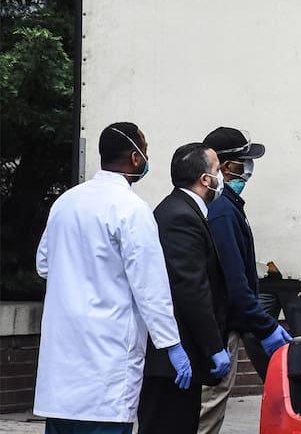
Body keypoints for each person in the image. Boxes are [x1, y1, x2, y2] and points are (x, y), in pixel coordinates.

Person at [34, 123, 190, 434]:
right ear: (135, 158)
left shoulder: (66, 202)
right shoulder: (132, 209)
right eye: (145, 151)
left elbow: (44, 264)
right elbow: (150, 287)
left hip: (62, 368)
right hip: (107, 368)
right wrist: (172, 343)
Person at [197, 127, 291, 434]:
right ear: (224, 167)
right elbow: (235, 282)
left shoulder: (228, 206)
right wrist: (265, 326)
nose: (248, 168)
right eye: (243, 161)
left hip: (220, 324)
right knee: (209, 407)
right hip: (220, 328)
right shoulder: (223, 210)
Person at [138, 143, 232, 434]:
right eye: (218, 170)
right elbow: (191, 288)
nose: (221, 177)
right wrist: (214, 347)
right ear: (205, 179)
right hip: (171, 361)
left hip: (179, 359)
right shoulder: (181, 217)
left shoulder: (185, 210)